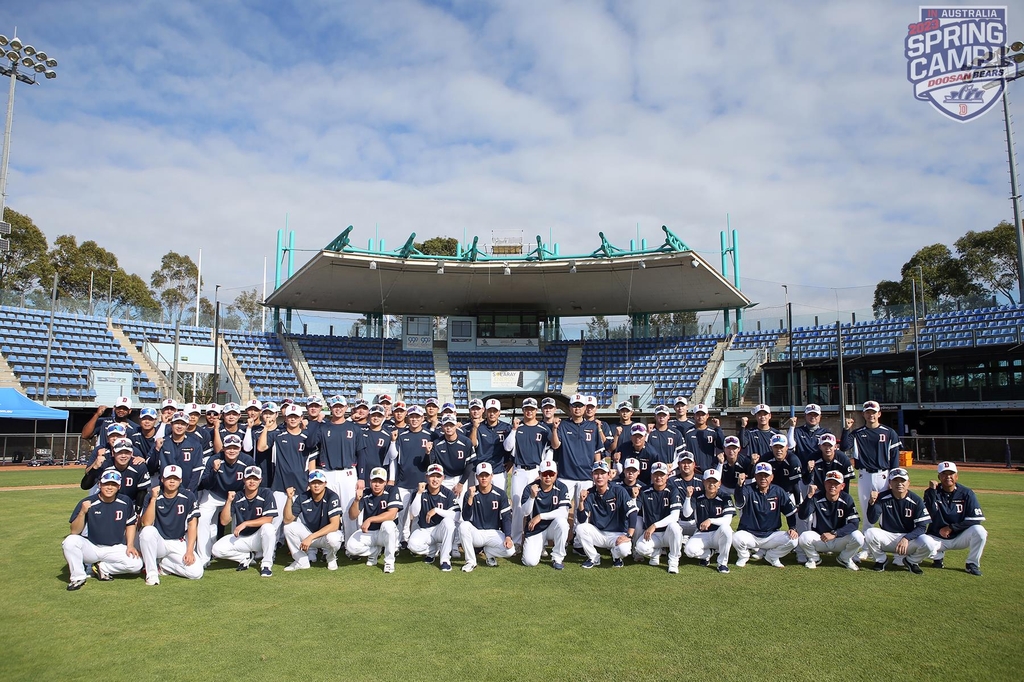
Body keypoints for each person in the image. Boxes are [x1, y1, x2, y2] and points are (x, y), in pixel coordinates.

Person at [62, 470, 143, 590]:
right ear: (100, 484)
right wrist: (82, 512)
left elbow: (130, 524)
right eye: (106, 484)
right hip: (92, 547)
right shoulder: (88, 502)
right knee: (69, 541)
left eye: (113, 485)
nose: (109, 488)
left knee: (136, 565)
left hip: (115, 547)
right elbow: (74, 531)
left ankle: (102, 568)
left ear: (119, 486)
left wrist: (130, 545)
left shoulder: (125, 502)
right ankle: (78, 577)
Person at [257, 403, 318, 538]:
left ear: (301, 418)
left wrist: (311, 484)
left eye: (296, 417)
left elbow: (312, 462)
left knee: (304, 521)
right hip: (280, 485)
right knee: (275, 522)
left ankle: (310, 550)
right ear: (285, 418)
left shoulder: (307, 438)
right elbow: (261, 448)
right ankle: (270, 551)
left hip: (302, 486)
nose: (293, 419)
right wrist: (266, 428)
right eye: (290, 416)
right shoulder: (278, 435)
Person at [138, 464, 204, 585]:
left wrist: (190, 550)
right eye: (169, 478)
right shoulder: (151, 495)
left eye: (175, 478)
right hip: (159, 542)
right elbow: (146, 522)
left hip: (178, 541)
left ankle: (164, 566)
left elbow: (192, 524)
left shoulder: (188, 496)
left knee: (196, 573)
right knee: (147, 531)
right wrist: (153, 499)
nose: (172, 481)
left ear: (180, 480)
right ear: (162, 479)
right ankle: (151, 574)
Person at [919, 462, 987, 576]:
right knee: (922, 543)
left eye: (951, 473)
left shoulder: (966, 493)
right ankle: (937, 557)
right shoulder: (932, 492)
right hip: (937, 537)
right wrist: (932, 491)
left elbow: (976, 519)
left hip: (960, 537)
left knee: (980, 531)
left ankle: (972, 564)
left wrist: (951, 528)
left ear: (957, 476)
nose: (948, 477)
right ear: (939, 477)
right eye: (944, 474)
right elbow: (928, 513)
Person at [195, 433, 254, 564]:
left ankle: (240, 554)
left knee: (238, 523)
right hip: (213, 493)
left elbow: (252, 483)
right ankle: (204, 557)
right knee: (203, 519)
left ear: (240, 448)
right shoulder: (214, 460)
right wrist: (214, 471)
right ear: (223, 448)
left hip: (236, 495)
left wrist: (240, 497)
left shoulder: (247, 461)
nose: (232, 451)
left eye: (235, 447)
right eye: (228, 448)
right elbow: (206, 484)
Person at [503, 398, 554, 547]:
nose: (529, 411)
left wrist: (543, 471)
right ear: (523, 410)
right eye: (526, 408)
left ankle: (538, 541)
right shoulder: (518, 428)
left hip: (536, 471)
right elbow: (507, 447)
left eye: (532, 408)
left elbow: (549, 451)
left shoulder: (544, 430)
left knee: (536, 504)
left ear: (536, 410)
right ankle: (517, 541)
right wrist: (513, 430)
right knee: (518, 505)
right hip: (519, 470)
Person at [842, 401, 901, 530]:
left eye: (873, 412)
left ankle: (885, 544)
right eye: (868, 412)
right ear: (863, 414)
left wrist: (893, 478)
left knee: (885, 512)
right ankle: (866, 548)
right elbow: (844, 446)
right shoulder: (857, 433)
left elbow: (895, 458)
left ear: (879, 414)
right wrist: (846, 429)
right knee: (867, 512)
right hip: (865, 476)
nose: (871, 415)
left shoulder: (889, 433)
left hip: (884, 476)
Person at [212, 465, 278, 577]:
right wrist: (228, 501)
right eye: (249, 478)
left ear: (260, 480)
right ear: (244, 479)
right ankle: (245, 557)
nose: (252, 481)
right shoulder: (238, 496)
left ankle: (266, 564)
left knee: (269, 528)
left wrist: (246, 523)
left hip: (259, 538)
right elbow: (224, 521)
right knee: (216, 550)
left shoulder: (266, 494)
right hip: (241, 538)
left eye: (255, 479)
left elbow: (268, 519)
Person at [863, 468, 931, 573]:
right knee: (869, 533)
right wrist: (871, 503)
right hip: (888, 537)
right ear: (890, 483)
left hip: (909, 539)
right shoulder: (882, 497)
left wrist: (906, 538)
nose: (899, 484)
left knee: (929, 542)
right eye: (895, 481)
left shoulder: (916, 500)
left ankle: (911, 561)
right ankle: (881, 560)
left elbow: (922, 527)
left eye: (902, 481)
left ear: (908, 483)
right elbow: (872, 520)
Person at [732, 462, 799, 568]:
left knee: (793, 540)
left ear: (772, 477)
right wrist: (739, 486)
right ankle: (743, 556)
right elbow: (739, 502)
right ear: (755, 477)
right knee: (736, 537)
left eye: (766, 475)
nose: (763, 478)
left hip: (771, 535)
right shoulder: (748, 489)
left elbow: (790, 512)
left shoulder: (778, 491)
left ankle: (772, 556)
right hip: (750, 534)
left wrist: (792, 528)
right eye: (760, 475)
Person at [314, 395, 362, 539]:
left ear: (346, 408)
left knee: (349, 509)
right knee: (327, 508)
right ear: (330, 408)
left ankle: (351, 543)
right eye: (335, 407)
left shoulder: (354, 428)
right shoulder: (323, 428)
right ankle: (326, 543)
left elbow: (361, 454)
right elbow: (310, 443)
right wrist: (316, 421)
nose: (338, 409)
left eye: (341, 406)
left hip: (348, 472)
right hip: (328, 472)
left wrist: (362, 477)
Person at [575, 461, 638, 568]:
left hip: (617, 533)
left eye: (603, 473)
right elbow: (581, 519)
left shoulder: (619, 490)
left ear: (609, 475)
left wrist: (629, 535)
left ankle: (616, 556)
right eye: (596, 473)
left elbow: (633, 512)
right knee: (580, 528)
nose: (599, 476)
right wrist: (581, 501)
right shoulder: (590, 493)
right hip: (599, 533)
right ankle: (594, 558)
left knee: (625, 550)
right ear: (592, 476)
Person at [797, 470, 864, 571]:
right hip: (820, 538)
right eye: (829, 482)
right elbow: (802, 515)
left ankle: (845, 558)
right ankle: (814, 558)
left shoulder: (847, 499)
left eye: (836, 483)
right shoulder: (816, 497)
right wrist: (809, 496)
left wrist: (835, 533)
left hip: (839, 538)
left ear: (842, 486)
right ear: (824, 484)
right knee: (804, 537)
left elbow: (854, 523)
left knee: (859, 537)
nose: (832, 486)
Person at [384, 405, 432, 545]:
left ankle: (415, 541)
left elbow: (432, 460)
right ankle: (399, 541)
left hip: (422, 482)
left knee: (418, 514)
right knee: (400, 514)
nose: (414, 419)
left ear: (423, 418)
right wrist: (393, 441)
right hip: (403, 481)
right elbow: (393, 456)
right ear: (408, 418)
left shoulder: (430, 435)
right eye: (412, 417)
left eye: (417, 417)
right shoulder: (401, 435)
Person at [282, 469, 344, 571]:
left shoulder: (332, 496)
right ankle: (301, 561)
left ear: (325, 483)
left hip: (326, 535)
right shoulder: (303, 497)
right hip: (310, 534)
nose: (316, 486)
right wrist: (289, 499)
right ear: (309, 484)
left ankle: (331, 558)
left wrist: (310, 537)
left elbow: (334, 525)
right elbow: (287, 520)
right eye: (313, 482)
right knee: (288, 527)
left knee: (334, 538)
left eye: (319, 483)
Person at [458, 462, 515, 572]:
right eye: (481, 475)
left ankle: (489, 552)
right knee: (463, 526)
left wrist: (508, 536)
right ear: (477, 477)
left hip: (494, 532)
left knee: (510, 551)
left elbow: (506, 517)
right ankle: (471, 561)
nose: (484, 478)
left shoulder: (500, 494)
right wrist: (470, 498)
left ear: (491, 476)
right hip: (477, 533)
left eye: (486, 475)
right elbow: (466, 517)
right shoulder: (470, 493)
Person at [346, 467, 402, 574]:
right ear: (370, 481)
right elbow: (352, 516)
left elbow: (392, 514)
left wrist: (370, 519)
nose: (377, 485)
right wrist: (357, 500)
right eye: (374, 481)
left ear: (385, 482)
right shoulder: (365, 492)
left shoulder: (392, 490)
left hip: (386, 534)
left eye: (380, 482)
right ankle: (374, 551)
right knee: (351, 547)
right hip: (370, 532)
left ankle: (389, 561)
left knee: (388, 525)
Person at [407, 464, 460, 572]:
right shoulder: (419, 491)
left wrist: (436, 510)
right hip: (425, 529)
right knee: (412, 545)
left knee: (449, 523)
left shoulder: (448, 493)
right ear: (427, 477)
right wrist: (419, 493)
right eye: (432, 476)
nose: (435, 479)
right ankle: (432, 551)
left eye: (438, 476)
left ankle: (445, 560)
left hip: (441, 530)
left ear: (443, 478)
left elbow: (457, 516)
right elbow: (414, 513)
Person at [682, 468, 735, 573]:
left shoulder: (725, 497)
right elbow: (686, 513)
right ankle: (709, 553)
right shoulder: (697, 495)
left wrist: (710, 520)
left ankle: (722, 563)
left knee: (727, 529)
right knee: (689, 551)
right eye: (709, 481)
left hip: (718, 534)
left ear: (719, 483)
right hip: (702, 533)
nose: (711, 484)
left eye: (714, 482)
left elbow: (727, 520)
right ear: (703, 482)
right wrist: (688, 497)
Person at [520, 459, 571, 570]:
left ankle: (557, 558)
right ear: (539, 474)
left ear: (556, 474)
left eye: (551, 474)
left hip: (552, 526)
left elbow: (564, 512)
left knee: (562, 523)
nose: (548, 477)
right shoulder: (530, 488)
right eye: (545, 474)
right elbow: (525, 512)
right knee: (530, 562)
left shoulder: (562, 487)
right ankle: (540, 545)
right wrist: (532, 497)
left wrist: (540, 516)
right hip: (535, 528)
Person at [634, 462, 683, 573]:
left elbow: (675, 516)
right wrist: (633, 497)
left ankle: (673, 562)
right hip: (652, 534)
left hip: (667, 533)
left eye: (662, 475)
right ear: (651, 475)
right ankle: (656, 553)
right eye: (656, 474)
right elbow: (636, 509)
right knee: (640, 548)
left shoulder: (673, 490)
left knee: (675, 527)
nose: (659, 478)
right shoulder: (644, 491)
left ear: (667, 476)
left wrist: (654, 525)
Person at [80, 437, 151, 509]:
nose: (123, 456)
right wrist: (94, 468)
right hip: (107, 505)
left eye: (127, 452)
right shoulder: (105, 464)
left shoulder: (139, 466)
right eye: (120, 452)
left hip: (130, 506)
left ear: (132, 453)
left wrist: (137, 512)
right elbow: (85, 486)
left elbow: (142, 491)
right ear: (113, 453)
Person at [155, 411, 209, 492]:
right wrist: (157, 449)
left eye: (183, 424)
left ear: (187, 426)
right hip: (165, 491)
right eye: (177, 423)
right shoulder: (162, 442)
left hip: (188, 491)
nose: (179, 426)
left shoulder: (195, 445)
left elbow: (197, 471)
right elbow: (151, 466)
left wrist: (189, 491)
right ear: (171, 424)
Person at [468, 398, 511, 491]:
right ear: (485, 411)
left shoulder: (506, 427)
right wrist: (474, 428)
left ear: (499, 412)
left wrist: (510, 462)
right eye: (489, 411)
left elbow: (511, 447)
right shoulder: (479, 427)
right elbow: (473, 444)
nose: (492, 414)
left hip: (499, 470)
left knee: (500, 498)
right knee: (481, 499)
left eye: (495, 411)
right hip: (481, 470)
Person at [683, 404, 724, 473]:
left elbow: (722, 445)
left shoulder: (713, 432)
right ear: (694, 416)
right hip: (692, 470)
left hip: (709, 468)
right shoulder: (687, 432)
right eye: (698, 415)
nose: (700, 417)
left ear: (707, 416)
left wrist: (718, 427)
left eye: (703, 415)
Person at [669, 452, 702, 538]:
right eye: (683, 462)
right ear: (678, 464)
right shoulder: (671, 481)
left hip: (697, 520)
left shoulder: (702, 480)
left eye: (689, 462)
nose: (686, 465)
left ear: (694, 464)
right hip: (679, 520)